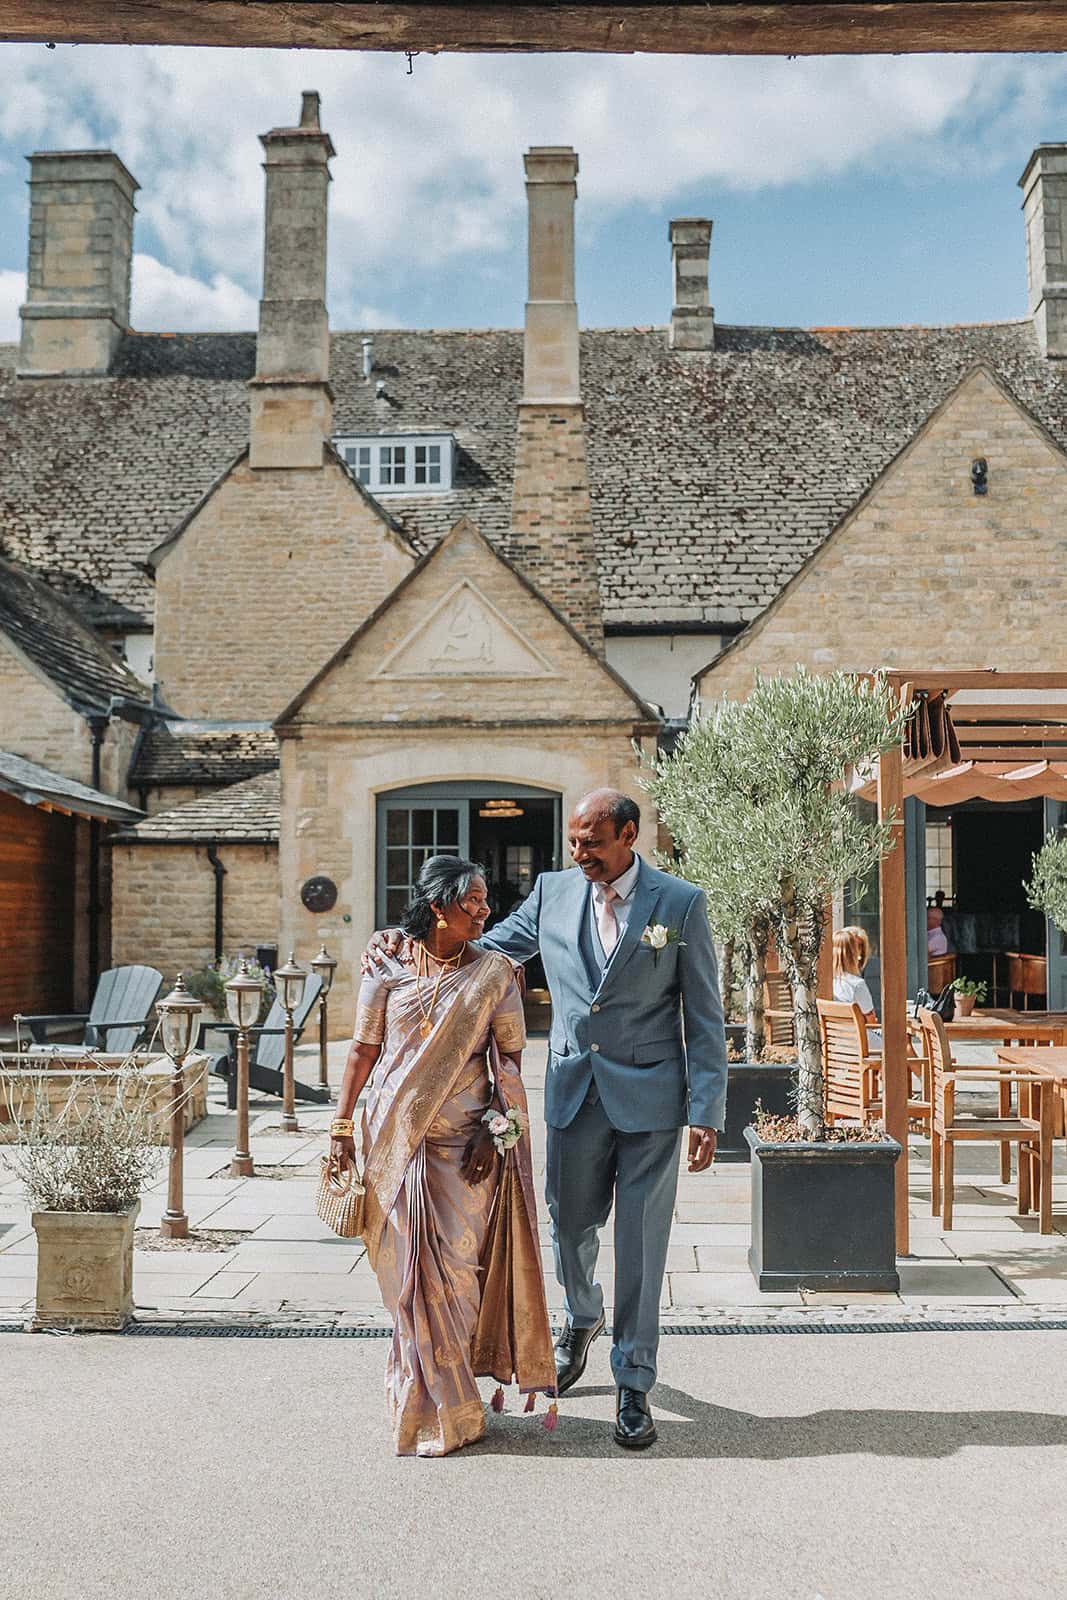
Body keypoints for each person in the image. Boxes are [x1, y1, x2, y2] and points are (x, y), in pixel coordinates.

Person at [367, 787, 727, 1451]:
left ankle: (633, 1381)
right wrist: (406, 940)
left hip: (652, 1098)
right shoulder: (553, 892)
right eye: (573, 840)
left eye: (591, 840)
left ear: (627, 835)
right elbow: (489, 949)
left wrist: (705, 1110)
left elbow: (703, 1013)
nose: (577, 851)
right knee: (567, 1226)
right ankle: (582, 1317)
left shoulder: (678, 904)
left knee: (642, 1245)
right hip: (570, 1090)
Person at [332, 855, 555, 1457]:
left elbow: (509, 1059)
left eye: (486, 900)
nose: (485, 910)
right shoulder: (387, 962)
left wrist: (497, 1127)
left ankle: (456, 1405)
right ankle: (421, 1407)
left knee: (456, 1271)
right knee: (406, 1276)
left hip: (467, 1147)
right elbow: (362, 1049)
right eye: (473, 901)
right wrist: (341, 1125)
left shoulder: (496, 973)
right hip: (393, 1141)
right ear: (437, 907)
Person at [832, 925, 878, 1027]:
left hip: (834, 1040)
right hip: (858, 1040)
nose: (858, 951)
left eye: (860, 946)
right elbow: (872, 1023)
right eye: (855, 946)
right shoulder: (857, 985)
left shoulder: (826, 983)